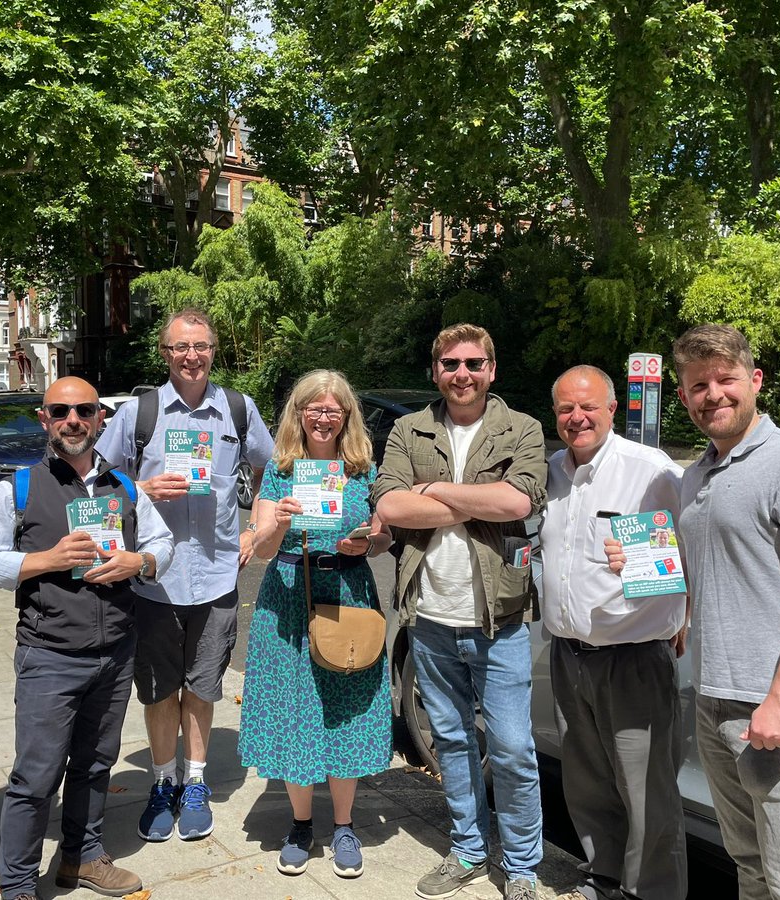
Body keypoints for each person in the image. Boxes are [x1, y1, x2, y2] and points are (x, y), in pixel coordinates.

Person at [611, 324, 780, 900]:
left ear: (755, 380)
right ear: (682, 396)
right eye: (699, 385)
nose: (713, 394)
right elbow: (715, 567)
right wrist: (646, 562)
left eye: (726, 379)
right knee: (751, 871)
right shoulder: (695, 474)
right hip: (715, 702)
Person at [0, 377, 174, 900]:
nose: (72, 420)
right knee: (36, 777)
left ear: (101, 418)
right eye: (60, 411)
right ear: (45, 419)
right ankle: (17, 884)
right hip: (49, 654)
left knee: (96, 764)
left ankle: (82, 857)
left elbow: (162, 543)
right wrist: (46, 560)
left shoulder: (124, 487)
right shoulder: (19, 488)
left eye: (83, 411)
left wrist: (141, 562)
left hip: (116, 652)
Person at [373, 324, 547, 900]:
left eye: (473, 363)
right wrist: (475, 501)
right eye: (450, 364)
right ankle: (469, 850)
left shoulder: (521, 428)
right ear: (436, 371)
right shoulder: (409, 429)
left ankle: (521, 867)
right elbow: (390, 505)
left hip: (500, 619)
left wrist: (433, 492)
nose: (462, 374)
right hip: (429, 616)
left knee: (513, 750)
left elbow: (518, 499)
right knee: (451, 741)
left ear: (491, 370)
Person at [94, 307, 274, 843]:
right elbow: (96, 481)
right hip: (154, 580)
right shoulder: (138, 414)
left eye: (200, 346)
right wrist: (140, 490)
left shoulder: (238, 409)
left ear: (213, 351)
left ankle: (194, 781)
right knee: (157, 690)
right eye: (180, 347)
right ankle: (162, 780)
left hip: (218, 577)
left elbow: (270, 466)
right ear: (165, 353)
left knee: (202, 687)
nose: (191, 356)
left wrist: (255, 529)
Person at [539, 365, 687, 900]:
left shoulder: (652, 471)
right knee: (587, 779)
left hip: (633, 658)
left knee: (647, 793)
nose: (577, 418)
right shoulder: (550, 472)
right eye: (566, 409)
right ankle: (603, 877)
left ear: (612, 408)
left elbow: (695, 550)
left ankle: (652, 892)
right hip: (568, 654)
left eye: (588, 407)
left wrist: (685, 615)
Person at [241, 370, 393, 879]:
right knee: (294, 710)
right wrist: (279, 523)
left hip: (348, 592)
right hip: (288, 596)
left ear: (346, 415)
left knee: (345, 707)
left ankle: (345, 824)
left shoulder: (363, 469)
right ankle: (302, 823)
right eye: (314, 408)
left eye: (333, 409)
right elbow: (262, 549)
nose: (323, 418)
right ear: (299, 413)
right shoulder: (281, 470)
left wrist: (365, 543)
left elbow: (384, 538)